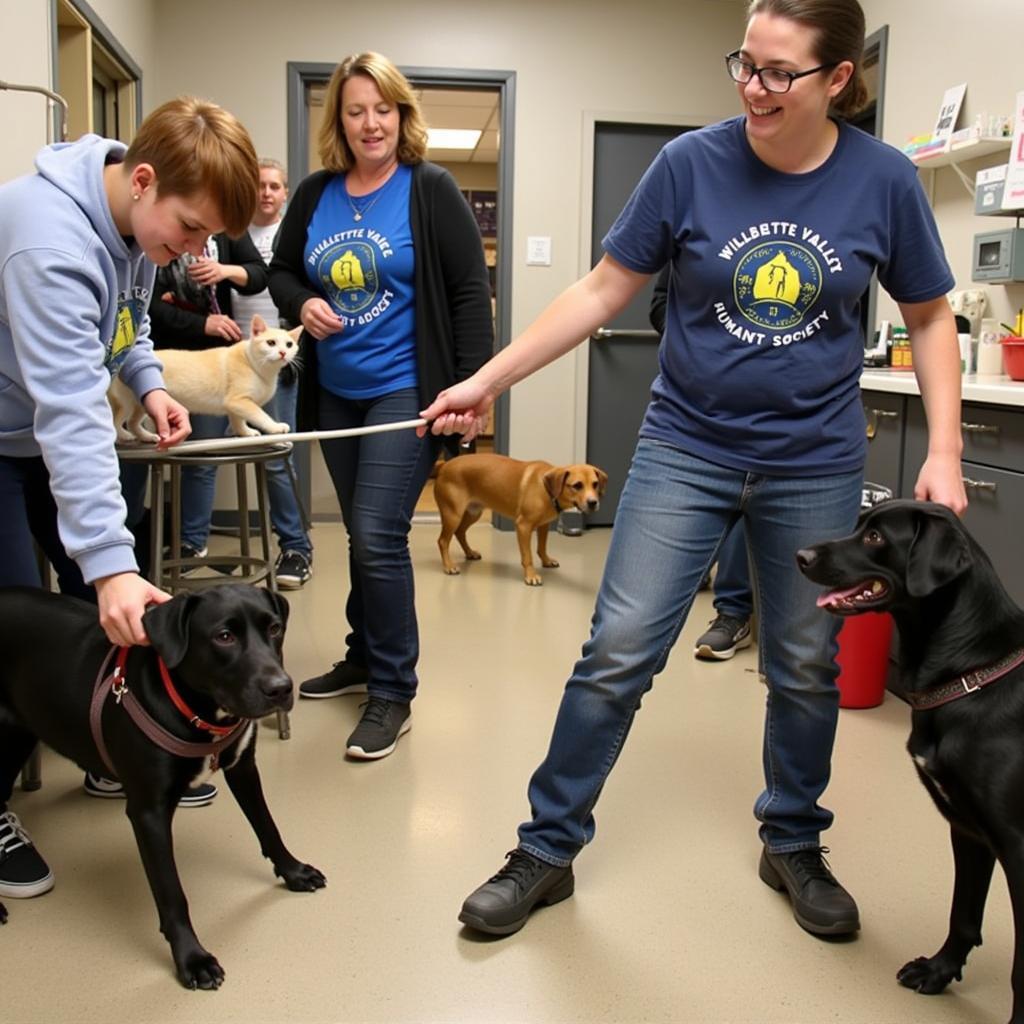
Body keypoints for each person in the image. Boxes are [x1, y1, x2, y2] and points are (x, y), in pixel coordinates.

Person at [423, 0, 967, 939]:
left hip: (815, 461)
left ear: (837, 79)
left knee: (804, 665)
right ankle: (547, 850)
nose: (753, 88)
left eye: (777, 72)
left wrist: (948, 452)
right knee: (618, 652)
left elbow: (927, 317)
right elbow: (600, 290)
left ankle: (792, 839)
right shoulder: (688, 163)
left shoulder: (884, 181)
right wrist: (484, 380)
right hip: (687, 447)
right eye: (743, 65)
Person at [0, 97, 259, 901]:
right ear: (141, 180)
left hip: (34, 429)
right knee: (15, 629)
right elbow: (72, 411)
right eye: (189, 229)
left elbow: (127, 325)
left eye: (207, 236)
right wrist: (113, 563)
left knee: (101, 615)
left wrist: (148, 386)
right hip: (14, 435)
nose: (194, 250)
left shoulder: (136, 223)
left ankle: (114, 751)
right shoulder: (47, 240)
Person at [269, 52, 493, 759]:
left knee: (375, 530)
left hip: (405, 387)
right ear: (340, 118)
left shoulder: (430, 189)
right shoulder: (315, 193)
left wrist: (475, 387)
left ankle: (393, 691)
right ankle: (362, 655)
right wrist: (302, 299)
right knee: (359, 536)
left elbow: (466, 292)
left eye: (384, 109)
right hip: (335, 387)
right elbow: (279, 270)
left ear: (402, 114)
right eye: (356, 110)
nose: (371, 123)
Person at [144, 230, 269, 569]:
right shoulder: (155, 234)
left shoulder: (228, 233)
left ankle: (191, 542)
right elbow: (147, 307)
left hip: (209, 367)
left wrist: (224, 271)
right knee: (136, 459)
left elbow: (258, 275)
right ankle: (130, 546)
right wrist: (203, 324)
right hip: (158, 361)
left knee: (203, 456)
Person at [650, 265, 754, 661]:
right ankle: (707, 586)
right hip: (697, 407)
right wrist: (707, 342)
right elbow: (659, 305)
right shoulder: (692, 212)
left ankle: (733, 613)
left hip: (795, 421)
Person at [231, 158, 314, 589]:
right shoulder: (229, 231)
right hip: (231, 363)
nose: (266, 192)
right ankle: (191, 543)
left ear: (285, 193)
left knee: (277, 457)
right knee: (203, 456)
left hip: (276, 366)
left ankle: (296, 547)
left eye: (275, 186)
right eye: (260, 185)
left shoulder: (295, 236)